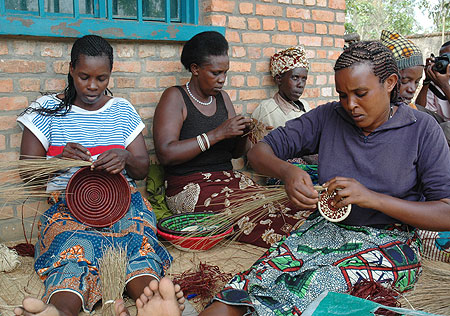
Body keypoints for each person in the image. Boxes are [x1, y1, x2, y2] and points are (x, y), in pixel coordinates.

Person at [195, 41, 450, 315]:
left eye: (361, 93)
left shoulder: (421, 129)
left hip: (389, 242)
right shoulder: (330, 116)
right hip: (322, 231)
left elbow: (445, 212)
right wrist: (288, 171)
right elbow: (259, 152)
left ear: (389, 83)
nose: (350, 105)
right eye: (343, 95)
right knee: (249, 285)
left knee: (314, 286)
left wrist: (374, 199)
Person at [13, 35, 184, 316]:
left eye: (101, 78)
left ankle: (153, 304)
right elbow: (29, 175)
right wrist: (59, 161)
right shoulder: (45, 111)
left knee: (136, 245)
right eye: (84, 76)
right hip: (69, 208)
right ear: (71, 70)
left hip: (125, 204)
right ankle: (59, 311)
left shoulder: (121, 110)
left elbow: (141, 169)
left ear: (110, 75)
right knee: (72, 249)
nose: (92, 86)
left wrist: (125, 157)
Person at [153, 31, 313, 248]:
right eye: (216, 73)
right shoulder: (174, 97)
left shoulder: (223, 98)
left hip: (230, 181)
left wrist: (245, 133)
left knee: (285, 205)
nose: (222, 80)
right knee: (260, 219)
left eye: (225, 73)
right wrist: (217, 134)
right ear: (195, 69)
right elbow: (166, 153)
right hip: (190, 187)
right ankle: (302, 248)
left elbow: (236, 153)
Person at [251, 45, 311, 130]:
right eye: (295, 78)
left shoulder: (305, 106)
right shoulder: (266, 110)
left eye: (304, 79)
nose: (300, 84)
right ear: (279, 79)